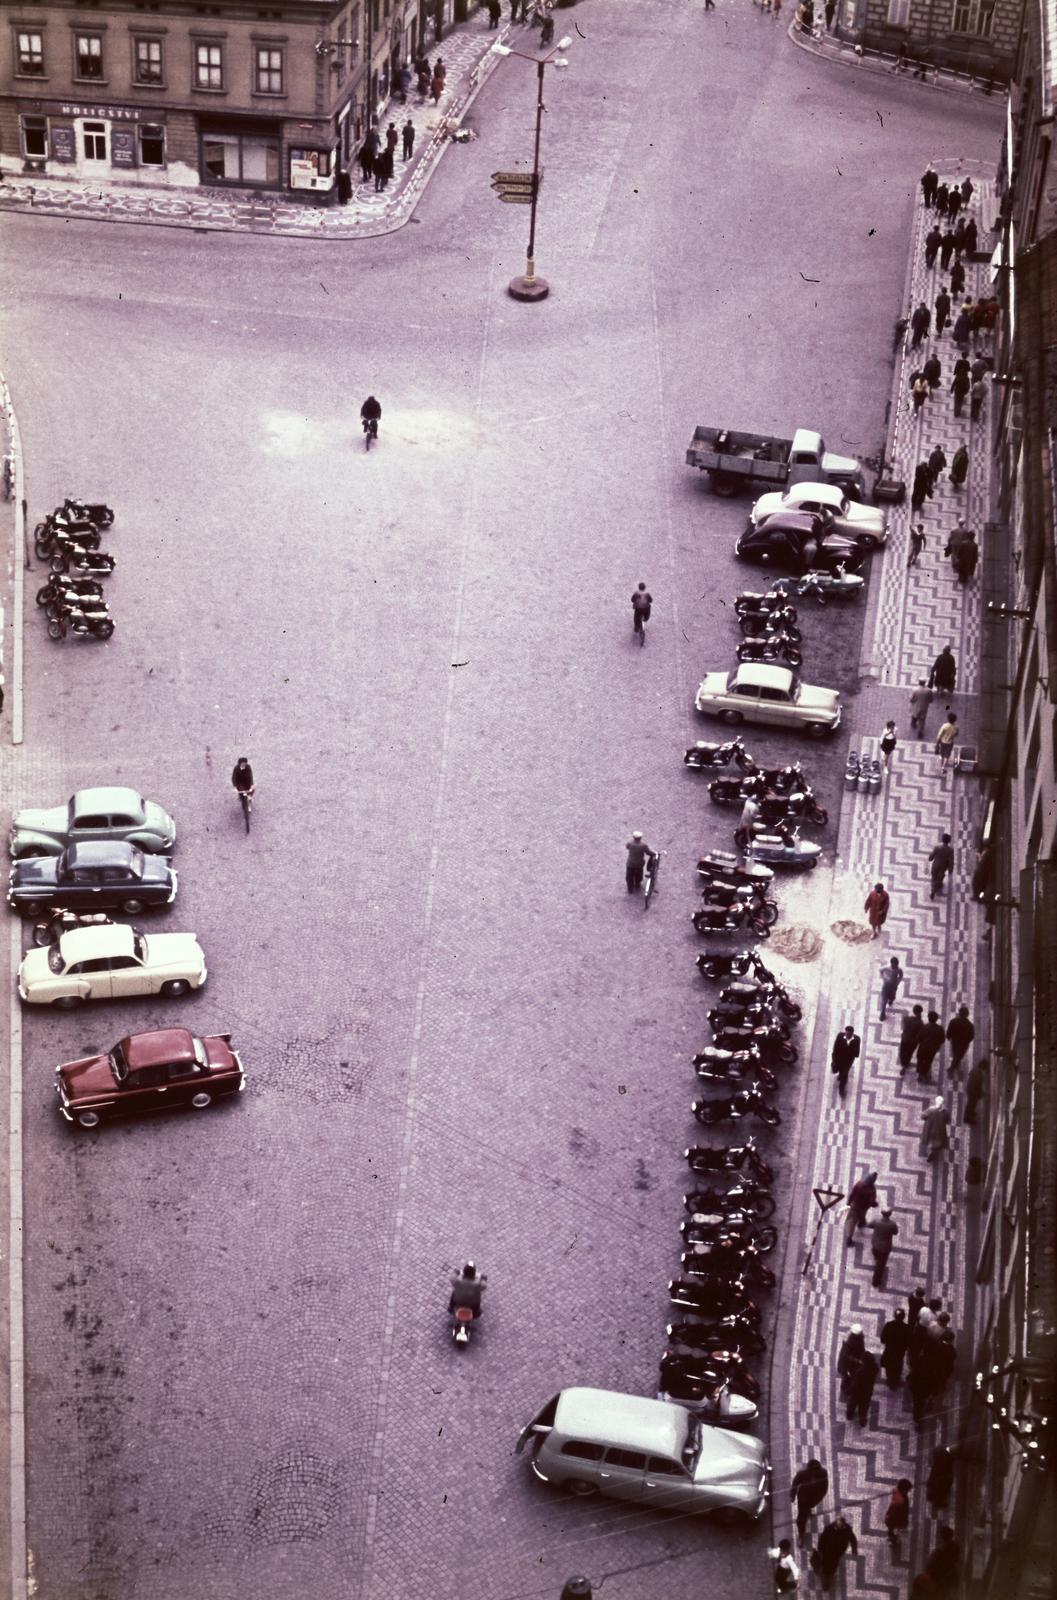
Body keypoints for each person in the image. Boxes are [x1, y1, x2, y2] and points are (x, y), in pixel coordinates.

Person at [812, 1515, 858, 1588]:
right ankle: (825, 1579)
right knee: (825, 1564)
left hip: (838, 1552)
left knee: (834, 1565)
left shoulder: (847, 1529)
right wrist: (820, 1549)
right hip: (827, 1551)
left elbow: (852, 1539)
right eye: (839, 1525)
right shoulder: (828, 1528)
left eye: (842, 1526)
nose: (840, 1527)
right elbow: (822, 1539)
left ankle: (830, 1576)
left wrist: (854, 1549)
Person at [791, 1458, 829, 1542]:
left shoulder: (823, 1473)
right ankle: (801, 1534)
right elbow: (795, 1483)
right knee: (801, 1518)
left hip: (814, 1499)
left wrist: (820, 1497)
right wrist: (792, 1495)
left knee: (807, 1510)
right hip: (803, 1499)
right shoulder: (802, 1474)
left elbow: (825, 1486)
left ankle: (808, 1511)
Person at [844, 1172, 877, 1245]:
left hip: (854, 1205)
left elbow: (852, 1194)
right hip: (864, 1207)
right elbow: (872, 1202)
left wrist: (848, 1203)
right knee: (861, 1216)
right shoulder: (872, 1189)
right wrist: (875, 1204)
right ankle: (861, 1223)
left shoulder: (859, 1184)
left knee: (852, 1219)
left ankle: (850, 1236)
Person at [880, 1307, 910, 1386]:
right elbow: (908, 1342)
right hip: (899, 1352)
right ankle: (896, 1379)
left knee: (889, 1366)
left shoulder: (889, 1325)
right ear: (903, 1317)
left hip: (889, 1351)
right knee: (898, 1365)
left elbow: (882, 1339)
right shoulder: (906, 1328)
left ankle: (890, 1380)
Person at [870, 1208, 899, 1288]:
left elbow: (869, 1225)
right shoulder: (892, 1224)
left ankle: (876, 1258)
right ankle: (875, 1282)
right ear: (890, 1214)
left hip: (875, 1243)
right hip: (885, 1247)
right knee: (880, 1266)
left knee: (876, 1253)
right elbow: (895, 1232)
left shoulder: (876, 1221)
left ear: (882, 1213)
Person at [914, 1011, 946, 1081]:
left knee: (920, 1060)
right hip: (932, 1049)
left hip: (923, 1048)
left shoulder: (924, 1027)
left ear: (928, 1018)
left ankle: (920, 1074)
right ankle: (924, 1073)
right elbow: (942, 1039)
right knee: (928, 1061)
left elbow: (918, 1038)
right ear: (936, 1019)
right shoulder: (940, 1029)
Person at [830, 1025, 860, 1098]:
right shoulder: (840, 1035)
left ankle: (841, 1089)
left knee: (844, 1075)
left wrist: (851, 1049)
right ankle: (840, 1075)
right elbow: (835, 1048)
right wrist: (834, 1060)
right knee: (836, 1070)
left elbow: (857, 1054)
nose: (847, 1036)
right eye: (846, 1034)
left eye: (849, 1034)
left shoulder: (857, 1039)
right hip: (838, 1059)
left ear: (852, 1033)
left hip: (847, 1062)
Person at [837, 1324, 867, 1395]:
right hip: (847, 1364)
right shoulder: (848, 1342)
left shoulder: (858, 1337)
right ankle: (845, 1389)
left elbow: (861, 1348)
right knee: (847, 1376)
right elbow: (845, 1356)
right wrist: (857, 1360)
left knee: (851, 1375)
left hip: (854, 1361)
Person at [921, 1095, 951, 1161]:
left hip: (930, 1128)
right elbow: (948, 1120)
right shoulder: (946, 1111)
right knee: (937, 1142)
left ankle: (930, 1152)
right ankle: (933, 1152)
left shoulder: (931, 1110)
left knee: (930, 1141)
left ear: (936, 1102)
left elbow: (923, 1116)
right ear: (943, 1103)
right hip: (940, 1130)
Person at [945, 1007, 975, 1072]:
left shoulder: (953, 1021)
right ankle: (954, 1066)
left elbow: (949, 1031)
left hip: (955, 1041)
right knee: (959, 1055)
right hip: (964, 1043)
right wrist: (967, 1041)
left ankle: (953, 1066)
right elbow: (971, 1036)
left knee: (955, 1053)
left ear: (959, 1013)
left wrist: (949, 1037)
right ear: (967, 1014)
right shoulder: (970, 1025)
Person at [884, 1479, 913, 1545]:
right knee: (891, 1530)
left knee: (891, 1529)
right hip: (893, 1519)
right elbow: (900, 1512)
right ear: (903, 1490)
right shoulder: (901, 1501)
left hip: (891, 1518)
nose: (908, 1491)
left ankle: (892, 1537)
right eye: (907, 1490)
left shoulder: (897, 1492)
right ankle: (893, 1541)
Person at [898, 1005, 925, 1073]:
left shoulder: (906, 1018)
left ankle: (903, 1063)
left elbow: (903, 1027)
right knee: (909, 1053)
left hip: (904, 1038)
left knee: (902, 1051)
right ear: (920, 1012)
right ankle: (905, 1064)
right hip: (913, 1042)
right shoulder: (920, 1023)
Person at [879, 955, 904, 1020]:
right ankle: (882, 1014)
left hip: (893, 986)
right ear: (891, 963)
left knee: (892, 996)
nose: (894, 966)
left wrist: (898, 982)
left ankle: (891, 1000)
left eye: (896, 965)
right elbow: (880, 970)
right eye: (893, 965)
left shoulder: (899, 969)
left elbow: (901, 976)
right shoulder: (886, 967)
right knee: (883, 1000)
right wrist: (883, 977)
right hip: (886, 986)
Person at [964, 1055, 988, 1123]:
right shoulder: (980, 1075)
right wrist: (980, 1094)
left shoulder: (975, 1068)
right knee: (971, 1104)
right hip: (973, 1092)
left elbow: (970, 1074)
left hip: (969, 1088)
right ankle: (968, 1118)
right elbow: (978, 1087)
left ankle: (970, 1113)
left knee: (971, 1104)